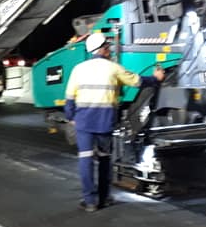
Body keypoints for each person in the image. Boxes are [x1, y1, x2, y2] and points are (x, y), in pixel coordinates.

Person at [64, 32, 165, 211]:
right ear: (102, 49)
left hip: (84, 122)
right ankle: (104, 198)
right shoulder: (113, 68)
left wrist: (71, 117)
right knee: (104, 159)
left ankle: (89, 202)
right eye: (107, 47)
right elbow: (138, 82)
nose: (110, 49)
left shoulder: (78, 69)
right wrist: (156, 79)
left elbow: (70, 98)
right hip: (104, 121)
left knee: (85, 160)